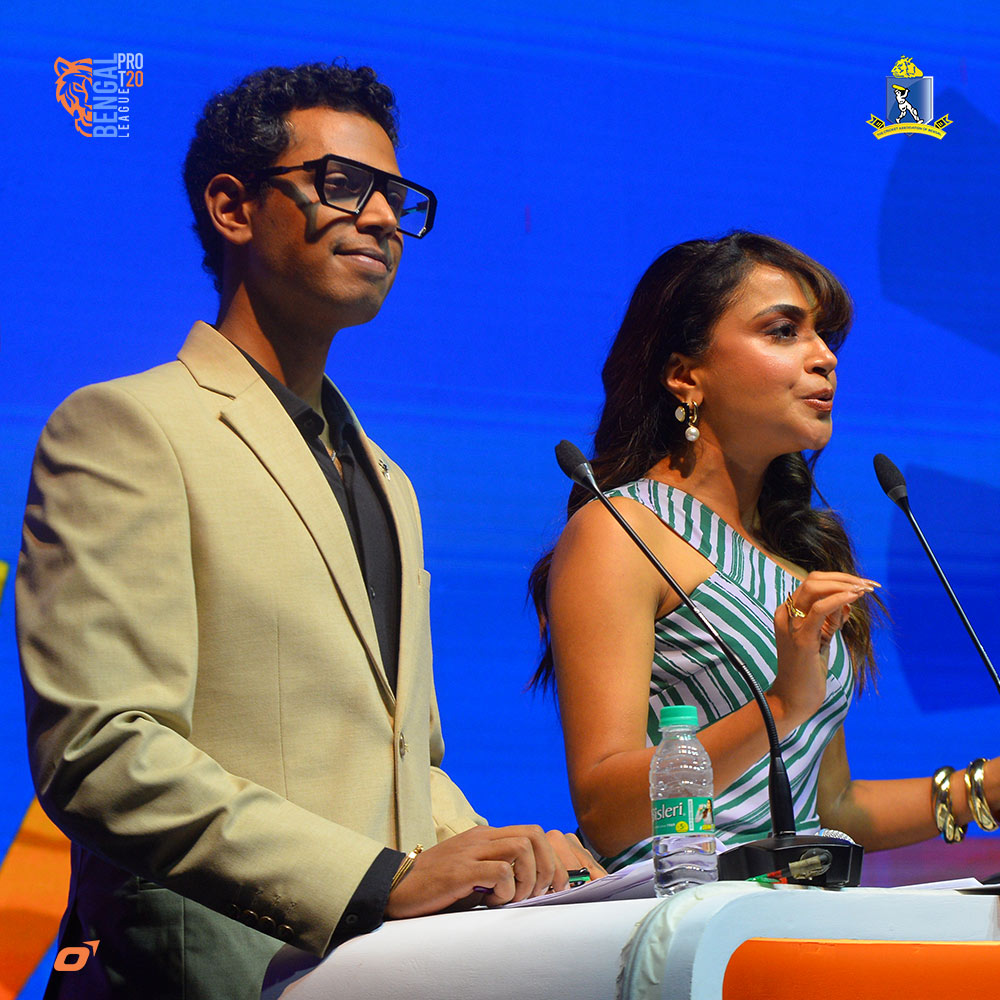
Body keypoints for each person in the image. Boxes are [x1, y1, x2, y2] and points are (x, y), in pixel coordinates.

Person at [17, 62, 599, 1000]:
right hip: (210, 975)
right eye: (342, 185)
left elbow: (403, 762)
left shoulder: (389, 478)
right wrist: (374, 884)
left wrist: (516, 860)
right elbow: (103, 749)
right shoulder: (128, 427)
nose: (382, 218)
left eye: (397, 197)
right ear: (232, 208)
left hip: (379, 975)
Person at [529, 232, 1000, 871]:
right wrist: (781, 703)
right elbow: (606, 810)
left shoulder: (798, 554)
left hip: (799, 902)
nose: (824, 357)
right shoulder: (619, 531)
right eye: (783, 331)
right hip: (684, 905)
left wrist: (980, 790)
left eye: (825, 336)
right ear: (685, 375)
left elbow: (831, 807)